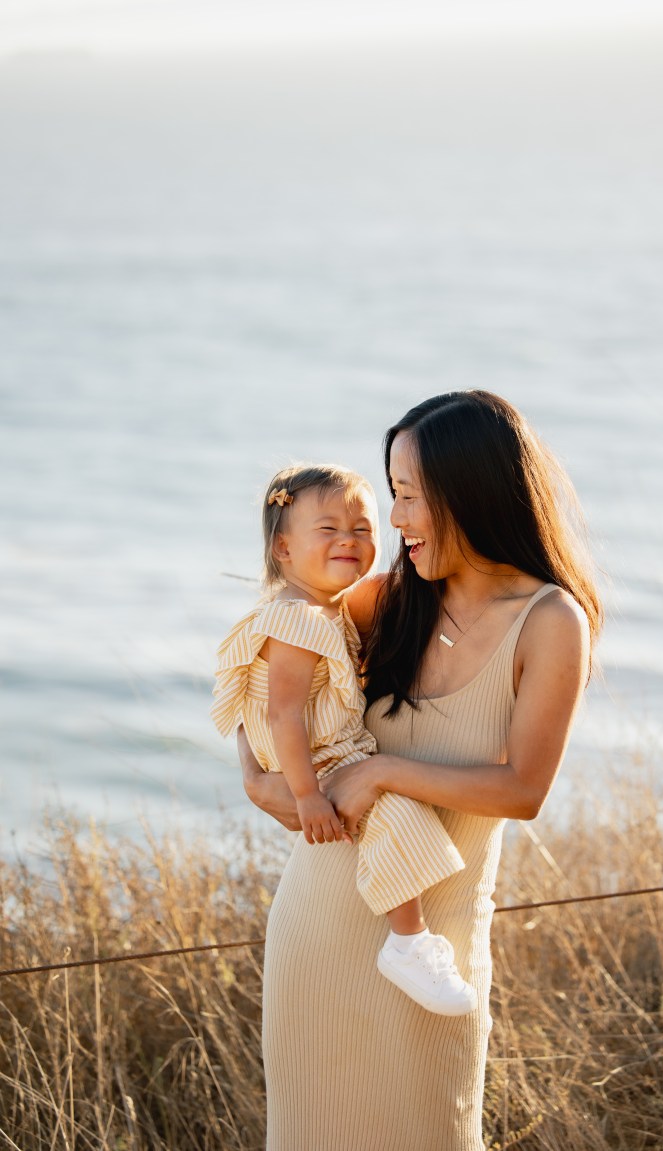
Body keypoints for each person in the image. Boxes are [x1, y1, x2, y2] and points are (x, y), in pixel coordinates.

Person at [241, 392, 603, 1151]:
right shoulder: (384, 600)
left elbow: (523, 791)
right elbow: (271, 682)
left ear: (468, 491)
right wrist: (260, 778)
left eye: (408, 497)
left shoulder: (549, 620)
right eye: (394, 495)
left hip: (430, 958)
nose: (393, 521)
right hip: (319, 931)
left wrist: (382, 775)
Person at [212, 462, 477, 1014]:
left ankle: (409, 939)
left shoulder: (322, 610)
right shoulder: (299, 620)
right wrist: (308, 796)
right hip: (320, 757)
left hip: (325, 752)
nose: (348, 540)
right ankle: (408, 942)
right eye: (327, 529)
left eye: (362, 529)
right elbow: (284, 714)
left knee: (391, 812)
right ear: (283, 549)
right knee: (395, 812)